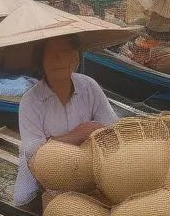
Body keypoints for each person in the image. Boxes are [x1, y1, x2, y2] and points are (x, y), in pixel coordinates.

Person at [15, 34, 118, 205]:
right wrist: (84, 132)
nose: (58, 59)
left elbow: (113, 129)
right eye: (50, 53)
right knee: (25, 198)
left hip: (87, 173)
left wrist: (53, 141)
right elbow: (35, 154)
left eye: (64, 52)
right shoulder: (30, 101)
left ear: (74, 58)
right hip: (44, 179)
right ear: (41, 61)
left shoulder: (89, 87)